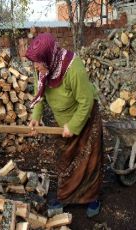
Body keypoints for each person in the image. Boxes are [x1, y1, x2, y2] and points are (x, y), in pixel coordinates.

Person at [26, 33, 103, 218]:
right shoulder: (41, 69)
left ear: (49, 58)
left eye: (38, 62)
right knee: (66, 159)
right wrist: (35, 117)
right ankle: (65, 196)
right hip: (64, 122)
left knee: (89, 160)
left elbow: (86, 101)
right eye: (34, 63)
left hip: (86, 117)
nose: (35, 67)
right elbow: (40, 94)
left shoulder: (72, 67)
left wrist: (74, 125)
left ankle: (92, 198)